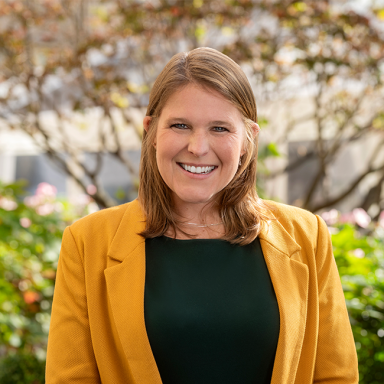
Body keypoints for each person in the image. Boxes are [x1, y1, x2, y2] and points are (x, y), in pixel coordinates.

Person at [46, 47, 358, 384]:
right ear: (151, 131)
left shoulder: (306, 235)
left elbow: (335, 376)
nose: (197, 146)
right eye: (180, 125)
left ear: (247, 139)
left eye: (220, 129)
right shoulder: (87, 242)